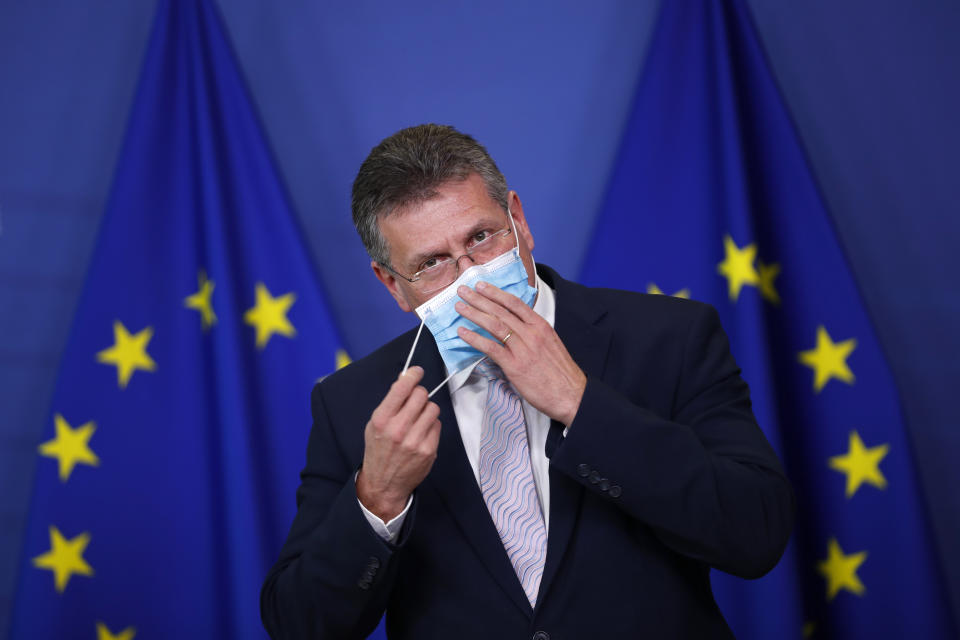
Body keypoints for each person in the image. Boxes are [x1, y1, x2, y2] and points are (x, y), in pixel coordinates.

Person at [260, 124, 794, 639]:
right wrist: (377, 497)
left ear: (518, 218)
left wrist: (581, 405)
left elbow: (757, 535)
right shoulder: (354, 403)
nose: (469, 274)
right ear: (393, 286)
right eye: (432, 264)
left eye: (481, 237)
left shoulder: (669, 339)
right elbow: (300, 624)